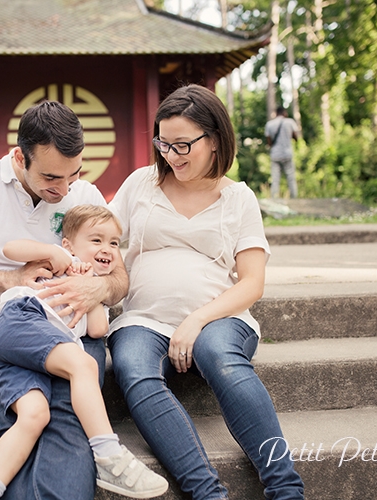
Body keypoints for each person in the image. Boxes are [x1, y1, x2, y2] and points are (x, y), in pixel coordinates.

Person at [0, 101, 129, 500]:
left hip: (68, 328)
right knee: (21, 426)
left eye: (74, 174)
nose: (64, 189)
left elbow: (118, 275)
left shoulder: (84, 194)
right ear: (19, 157)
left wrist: (96, 289)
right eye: (51, 177)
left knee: (70, 431)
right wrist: (12, 278)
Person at [107, 84, 305, 499]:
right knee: (132, 368)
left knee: (221, 358)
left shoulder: (238, 198)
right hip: (143, 319)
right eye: (163, 143)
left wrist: (196, 320)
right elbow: (98, 237)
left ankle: (286, 489)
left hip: (219, 319)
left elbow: (252, 282)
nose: (171, 155)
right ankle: (207, 492)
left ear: (214, 140)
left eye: (183, 145)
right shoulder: (141, 184)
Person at [0, 205, 168, 500]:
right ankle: (108, 454)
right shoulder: (60, 263)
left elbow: (97, 330)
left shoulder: (94, 285)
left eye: (113, 243)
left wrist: (94, 290)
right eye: (96, 240)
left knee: (33, 416)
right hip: (21, 321)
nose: (107, 248)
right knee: (83, 364)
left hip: (26, 356)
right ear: (69, 244)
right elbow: (11, 248)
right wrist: (53, 253)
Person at [264, 105, 300, 199]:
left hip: (275, 155)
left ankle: (274, 200)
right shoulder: (290, 122)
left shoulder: (269, 124)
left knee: (275, 179)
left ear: (276, 113)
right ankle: (294, 200)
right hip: (287, 153)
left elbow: (269, 142)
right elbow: (296, 137)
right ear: (284, 113)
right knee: (291, 178)